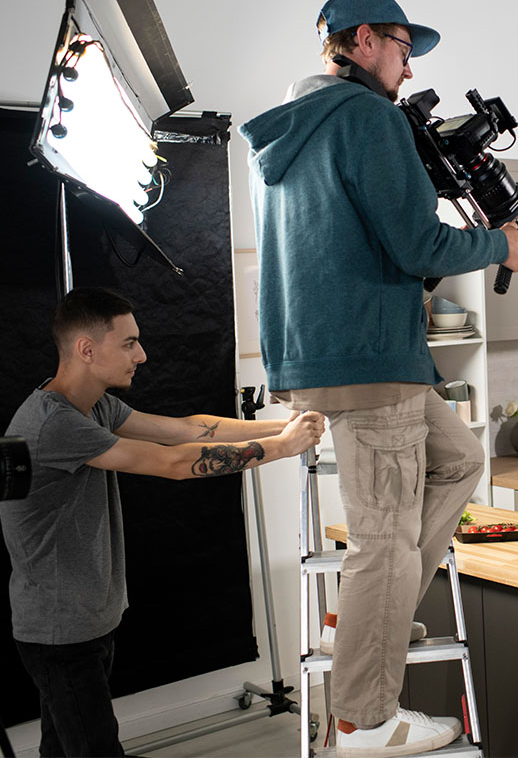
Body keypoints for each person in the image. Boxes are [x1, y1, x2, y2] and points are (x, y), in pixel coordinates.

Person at [238, 0, 518, 755]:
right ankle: (365, 717)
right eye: (404, 49)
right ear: (362, 40)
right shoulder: (366, 118)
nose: (408, 68)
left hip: (319, 355)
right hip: (375, 364)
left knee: (462, 460)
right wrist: (503, 245)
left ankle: (373, 619)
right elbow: (418, 247)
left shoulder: (289, 127)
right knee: (384, 540)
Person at [1, 288, 325, 758]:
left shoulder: (95, 407)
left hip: (86, 622)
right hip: (60, 631)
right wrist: (280, 448)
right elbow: (169, 462)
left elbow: (186, 428)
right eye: (129, 343)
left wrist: (282, 426)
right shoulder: (54, 423)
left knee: (62, 748)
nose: (143, 355)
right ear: (87, 350)